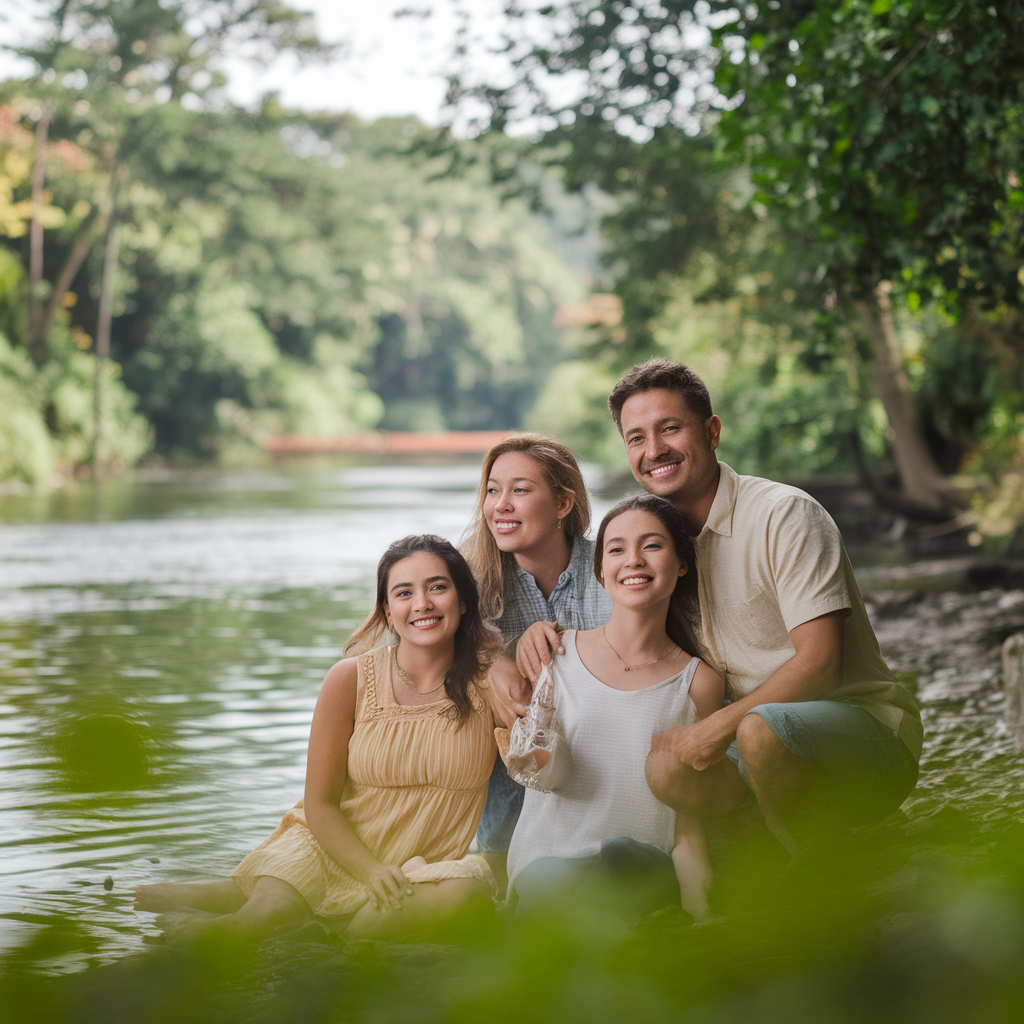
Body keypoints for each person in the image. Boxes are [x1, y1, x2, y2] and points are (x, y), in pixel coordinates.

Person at [519, 358, 922, 855]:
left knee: (756, 730)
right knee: (664, 763)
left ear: (711, 432)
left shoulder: (783, 515)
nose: (655, 450)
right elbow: (615, 637)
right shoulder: (650, 546)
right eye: (636, 438)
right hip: (753, 745)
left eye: (670, 429)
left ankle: (819, 875)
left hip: (864, 736)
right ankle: (764, 847)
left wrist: (715, 727)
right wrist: (541, 633)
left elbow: (822, 664)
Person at [135, 535, 501, 940]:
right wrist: (371, 871)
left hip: (417, 871)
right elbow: (320, 804)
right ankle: (197, 925)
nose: (422, 604)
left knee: (471, 892)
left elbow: (534, 753)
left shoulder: (491, 682)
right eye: (403, 593)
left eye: (437, 587)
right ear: (387, 610)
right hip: (328, 851)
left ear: (463, 600)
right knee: (262, 920)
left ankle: (231, 903)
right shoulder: (350, 678)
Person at [507, 494, 724, 923]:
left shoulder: (698, 682)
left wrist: (700, 915)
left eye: (653, 545)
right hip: (548, 865)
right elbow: (528, 759)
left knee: (622, 856)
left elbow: (687, 822)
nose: (634, 561)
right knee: (555, 881)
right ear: (602, 571)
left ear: (681, 563)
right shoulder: (554, 651)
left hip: (639, 867)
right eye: (617, 549)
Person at [461, 433, 612, 889]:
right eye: (493, 490)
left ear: (563, 503)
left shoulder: (609, 564)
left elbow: (641, 647)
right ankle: (496, 858)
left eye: (520, 490)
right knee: (482, 698)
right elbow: (414, 648)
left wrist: (558, 640)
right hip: (516, 754)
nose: (501, 505)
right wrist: (491, 664)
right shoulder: (471, 576)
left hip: (602, 735)